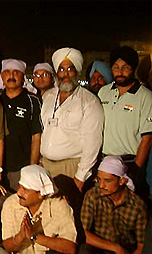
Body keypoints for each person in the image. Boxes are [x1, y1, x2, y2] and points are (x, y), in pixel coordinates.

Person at [41, 47, 104, 192]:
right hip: (46, 166)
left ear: (77, 71)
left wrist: (80, 177)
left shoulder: (89, 101)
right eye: (61, 70)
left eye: (70, 69)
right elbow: (43, 129)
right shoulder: (48, 97)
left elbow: (93, 142)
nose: (66, 74)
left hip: (72, 168)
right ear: (57, 73)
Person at [98, 46, 152, 202]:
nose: (120, 72)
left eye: (125, 67)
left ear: (133, 69)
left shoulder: (145, 97)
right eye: (116, 67)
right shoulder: (104, 92)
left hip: (129, 164)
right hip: (104, 163)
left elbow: (147, 138)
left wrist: (135, 169)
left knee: (129, 211)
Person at [1, 164, 77, 254]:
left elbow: (70, 247)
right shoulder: (10, 204)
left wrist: (35, 236)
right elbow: (7, 247)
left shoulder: (59, 206)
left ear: (40, 194)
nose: (19, 193)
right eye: (19, 187)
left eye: (25, 190)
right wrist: (20, 236)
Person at [80, 156, 147, 254]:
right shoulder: (92, 196)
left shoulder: (137, 206)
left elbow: (142, 245)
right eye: (99, 180)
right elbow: (83, 233)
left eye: (107, 181)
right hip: (100, 246)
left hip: (126, 249)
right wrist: (115, 248)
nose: (101, 185)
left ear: (121, 181)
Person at [0, 59, 42, 191]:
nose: (11, 76)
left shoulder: (32, 101)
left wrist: (32, 167)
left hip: (22, 169)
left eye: (16, 72)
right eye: (7, 72)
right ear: (2, 76)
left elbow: (36, 136)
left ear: (23, 77)